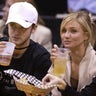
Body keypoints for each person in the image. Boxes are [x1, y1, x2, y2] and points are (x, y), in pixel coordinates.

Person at [0, 2, 52, 96]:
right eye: (12, 25)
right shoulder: (1, 45)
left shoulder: (42, 58)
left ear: (34, 28)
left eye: (22, 28)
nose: (16, 32)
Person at [42, 11, 96, 96]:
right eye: (64, 31)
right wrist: (54, 66)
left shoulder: (94, 62)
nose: (66, 36)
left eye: (73, 31)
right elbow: (52, 92)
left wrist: (63, 85)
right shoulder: (60, 58)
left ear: (87, 35)